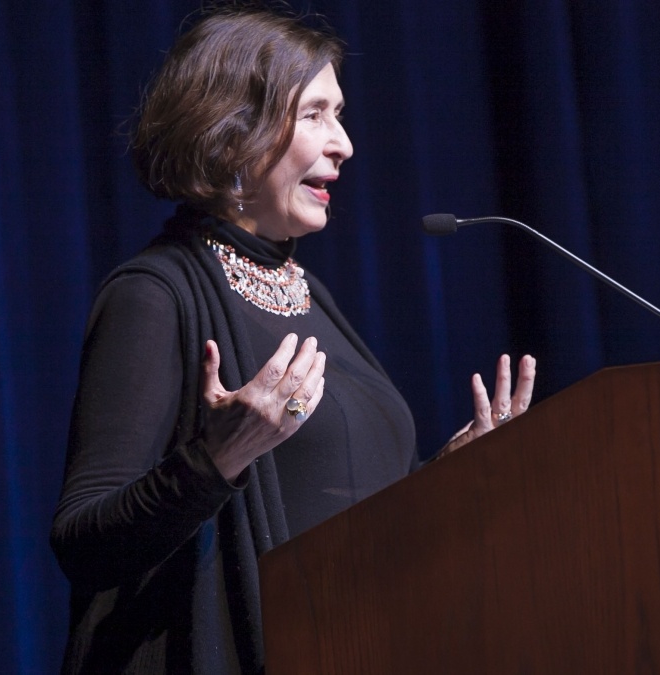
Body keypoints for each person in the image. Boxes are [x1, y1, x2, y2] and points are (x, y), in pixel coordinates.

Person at [49, 6, 536, 673]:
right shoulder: (153, 295)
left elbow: (338, 508)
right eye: (315, 114)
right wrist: (212, 461)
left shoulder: (307, 291)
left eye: (338, 114)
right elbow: (83, 543)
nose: (345, 143)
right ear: (230, 134)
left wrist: (445, 476)